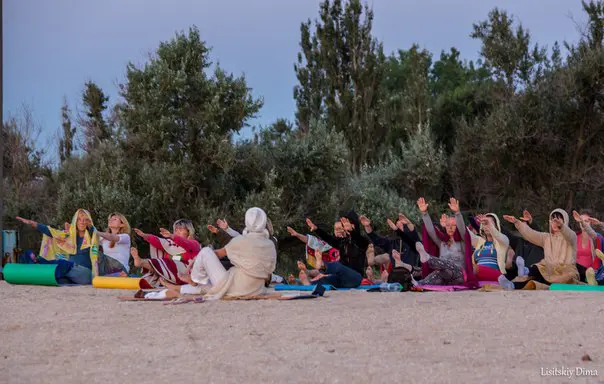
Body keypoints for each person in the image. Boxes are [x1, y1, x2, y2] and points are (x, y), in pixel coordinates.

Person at [190, 207, 277, 300]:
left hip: (237, 288)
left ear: (247, 221)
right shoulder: (270, 244)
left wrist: (197, 259)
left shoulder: (240, 241)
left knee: (205, 251)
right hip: (257, 289)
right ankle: (198, 280)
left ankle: (195, 279)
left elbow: (217, 254)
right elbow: (270, 270)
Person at [16, 209, 99, 284]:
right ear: (75, 221)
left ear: (89, 222)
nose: (82, 222)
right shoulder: (69, 236)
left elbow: (92, 229)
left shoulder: (92, 235)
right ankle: (31, 266)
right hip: (70, 273)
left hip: (84, 274)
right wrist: (33, 223)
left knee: (61, 263)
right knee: (56, 279)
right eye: (79, 219)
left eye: (85, 220)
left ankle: (38, 262)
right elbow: (51, 232)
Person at [500, 209, 579, 289]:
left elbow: (570, 234)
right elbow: (531, 233)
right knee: (538, 270)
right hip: (549, 270)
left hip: (565, 272)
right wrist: (516, 222)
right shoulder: (546, 238)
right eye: (552, 220)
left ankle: (524, 272)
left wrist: (561, 226)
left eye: (558, 220)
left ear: (564, 221)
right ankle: (515, 281)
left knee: (549, 275)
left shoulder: (571, 237)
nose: (554, 223)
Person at [131, 219, 200, 287]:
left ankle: (143, 262)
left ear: (188, 231)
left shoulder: (194, 243)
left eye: (181, 229)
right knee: (160, 249)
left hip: (187, 274)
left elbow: (185, 243)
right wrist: (144, 236)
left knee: (168, 262)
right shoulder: (172, 243)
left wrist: (172, 237)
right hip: (171, 271)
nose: (177, 232)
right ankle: (143, 263)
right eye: (176, 230)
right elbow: (159, 242)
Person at [414, 197, 467, 286]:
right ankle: (418, 283)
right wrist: (424, 213)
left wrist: (457, 213)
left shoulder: (463, 241)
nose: (450, 228)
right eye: (448, 225)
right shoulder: (442, 242)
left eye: (454, 225)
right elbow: (431, 231)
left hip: (459, 275)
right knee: (438, 273)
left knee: (444, 266)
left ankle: (428, 258)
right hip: (446, 276)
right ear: (445, 227)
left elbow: (463, 230)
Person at [305, 211, 369, 275]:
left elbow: (358, 239)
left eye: (348, 224)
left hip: (356, 277)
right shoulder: (342, 242)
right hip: (342, 276)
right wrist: (316, 229)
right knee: (325, 276)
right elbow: (328, 238)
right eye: (344, 225)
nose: (345, 226)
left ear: (354, 225)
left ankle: (321, 267)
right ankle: (320, 268)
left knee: (332, 269)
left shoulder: (362, 241)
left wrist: (351, 231)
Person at [572, 210, 603, 283]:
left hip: (591, 273)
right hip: (576, 272)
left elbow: (593, 234)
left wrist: (599, 223)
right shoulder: (574, 237)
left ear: (591, 223)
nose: (583, 223)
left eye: (586, 221)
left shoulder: (596, 237)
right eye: (581, 221)